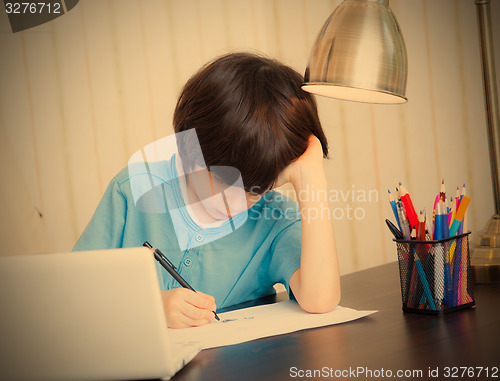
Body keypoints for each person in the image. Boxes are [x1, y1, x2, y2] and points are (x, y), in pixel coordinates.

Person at [73, 52, 340, 328]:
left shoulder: (275, 218)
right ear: (187, 146)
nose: (233, 203)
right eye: (221, 180)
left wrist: (312, 178)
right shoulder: (133, 190)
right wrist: (147, 308)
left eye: (254, 190)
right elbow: (72, 295)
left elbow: (320, 300)